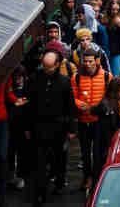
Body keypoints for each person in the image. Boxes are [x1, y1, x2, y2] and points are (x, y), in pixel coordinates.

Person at [25, 49, 76, 205]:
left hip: (58, 128)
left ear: (57, 65)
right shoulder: (34, 79)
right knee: (39, 162)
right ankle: (40, 192)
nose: (47, 70)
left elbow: (70, 106)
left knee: (59, 158)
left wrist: (72, 129)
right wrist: (27, 127)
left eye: (50, 67)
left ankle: (59, 181)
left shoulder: (64, 81)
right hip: (39, 127)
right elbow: (29, 105)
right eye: (45, 67)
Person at [70, 48, 111, 191]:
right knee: (85, 153)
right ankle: (87, 176)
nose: (87, 64)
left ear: (97, 61)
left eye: (90, 61)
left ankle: (97, 177)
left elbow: (110, 96)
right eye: (85, 61)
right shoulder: (76, 77)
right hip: (83, 120)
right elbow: (71, 97)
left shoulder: (106, 76)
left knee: (99, 152)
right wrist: (77, 103)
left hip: (99, 121)